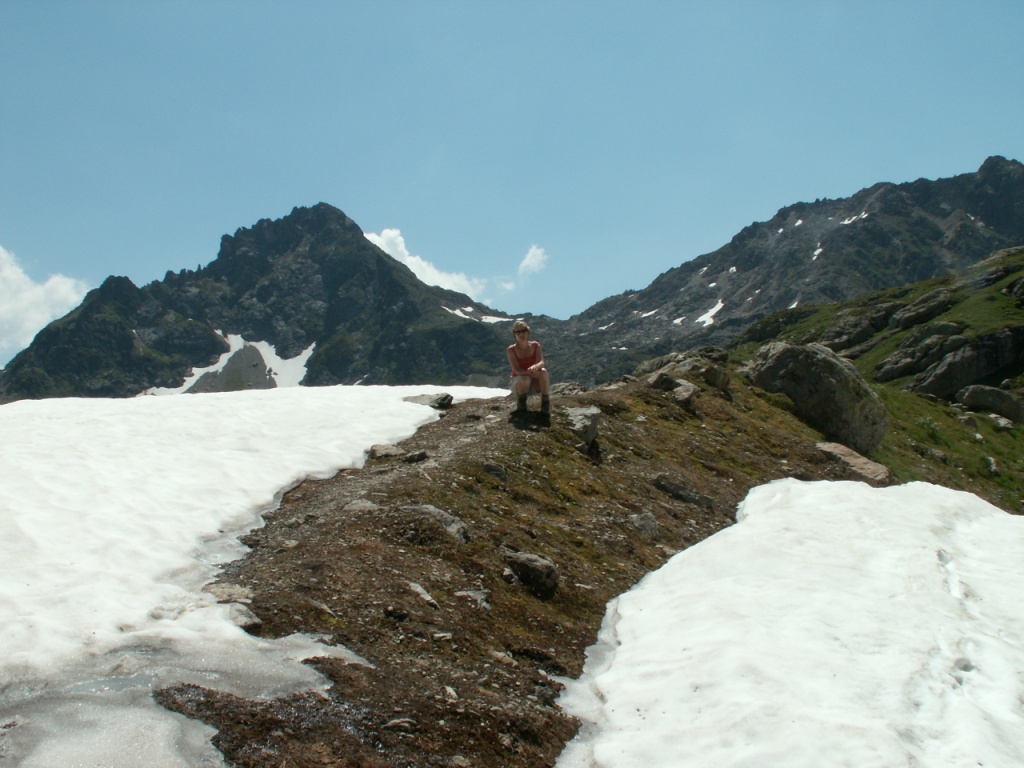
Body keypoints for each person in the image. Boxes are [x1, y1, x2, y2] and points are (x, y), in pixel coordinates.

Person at [507, 319, 550, 414]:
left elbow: (541, 362)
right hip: (519, 383)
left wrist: (535, 367)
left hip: (534, 382)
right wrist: (530, 372)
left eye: (523, 331)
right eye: (518, 332)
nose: (521, 334)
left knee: (543, 371)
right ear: (514, 335)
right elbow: (517, 370)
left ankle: (545, 404)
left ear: (528, 332)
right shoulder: (511, 350)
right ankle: (521, 405)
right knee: (525, 378)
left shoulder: (536, 345)